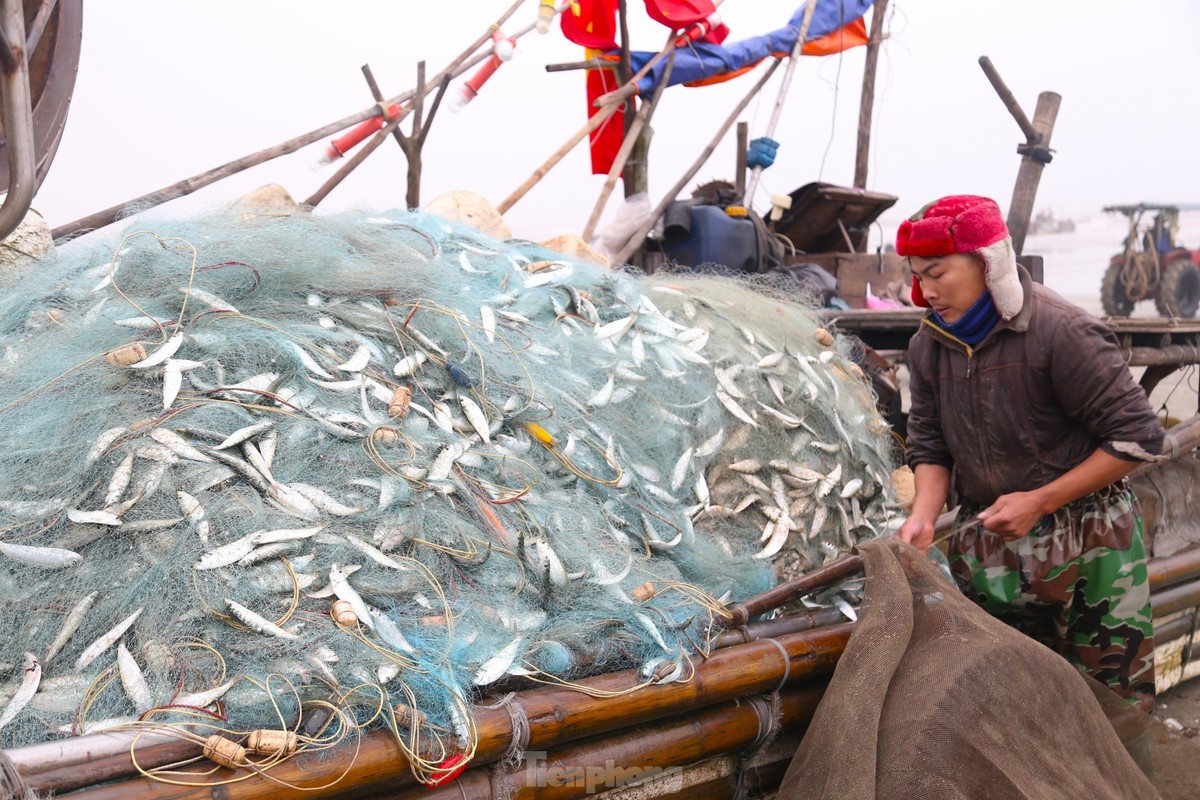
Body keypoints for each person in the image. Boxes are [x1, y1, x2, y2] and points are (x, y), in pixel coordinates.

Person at [895, 195, 1164, 711]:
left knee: (1113, 709)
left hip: (1089, 543)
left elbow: (1137, 439)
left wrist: (1040, 501)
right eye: (917, 276)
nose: (925, 292)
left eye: (937, 273)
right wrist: (924, 516)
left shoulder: (1062, 331)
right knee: (1010, 710)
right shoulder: (927, 346)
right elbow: (930, 444)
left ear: (986, 262)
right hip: (988, 543)